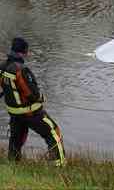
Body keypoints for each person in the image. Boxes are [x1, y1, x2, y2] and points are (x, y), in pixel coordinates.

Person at [0, 37, 65, 166]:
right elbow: (31, 94)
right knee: (54, 132)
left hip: (14, 114)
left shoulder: (2, 67)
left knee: (16, 140)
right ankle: (59, 166)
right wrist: (41, 97)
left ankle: (13, 165)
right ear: (24, 52)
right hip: (32, 113)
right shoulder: (21, 70)